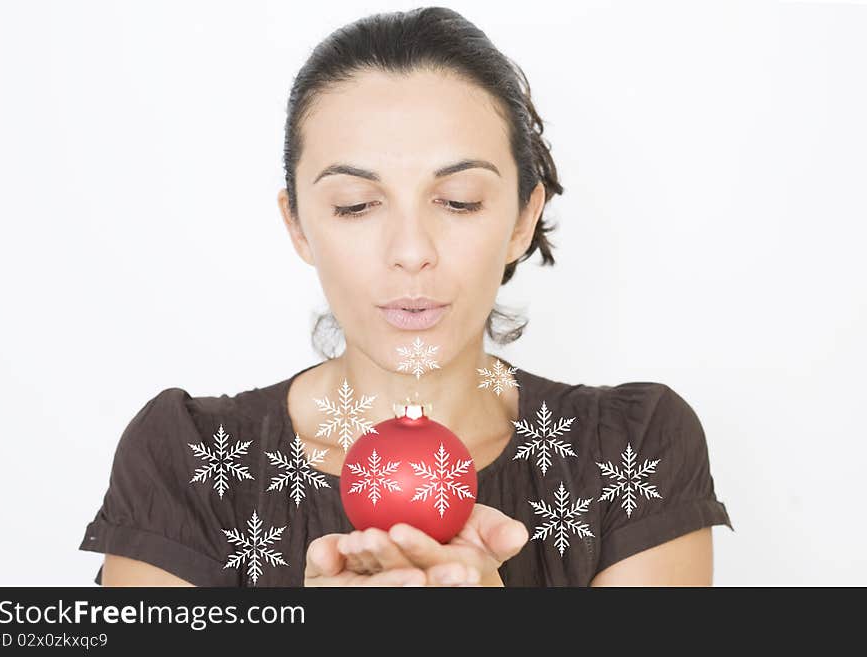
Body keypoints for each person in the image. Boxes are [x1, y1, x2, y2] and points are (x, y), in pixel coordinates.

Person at [79, 7, 733, 587]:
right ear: (299, 225)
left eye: (458, 201)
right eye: (356, 205)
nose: (411, 249)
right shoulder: (189, 463)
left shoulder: (630, 453)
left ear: (521, 219)